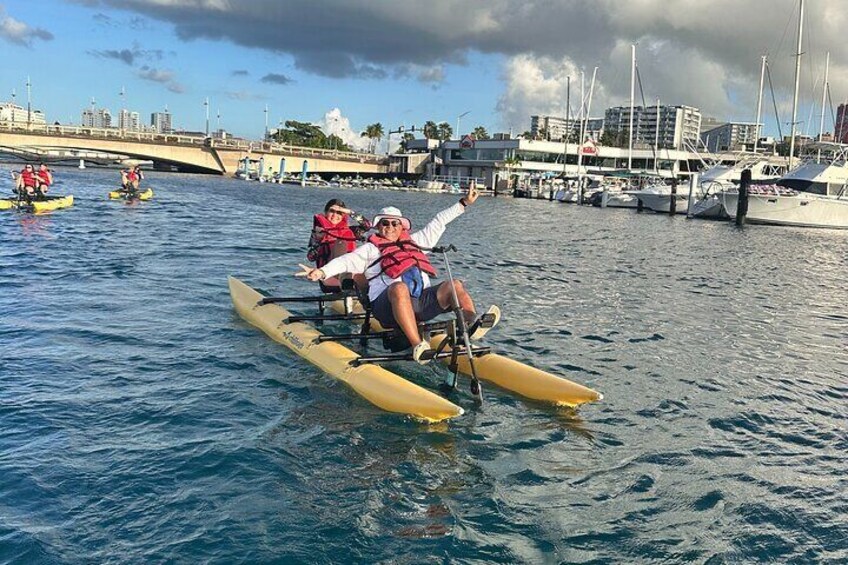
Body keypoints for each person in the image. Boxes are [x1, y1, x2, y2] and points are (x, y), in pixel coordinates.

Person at [296, 183, 500, 364]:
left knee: (454, 285)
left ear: (402, 226)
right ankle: (418, 346)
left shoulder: (417, 241)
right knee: (399, 287)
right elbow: (345, 261)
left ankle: (471, 324)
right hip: (386, 308)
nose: (391, 227)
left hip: (419, 303)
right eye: (385, 223)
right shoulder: (371, 249)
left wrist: (464, 202)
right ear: (379, 226)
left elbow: (439, 221)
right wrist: (321, 272)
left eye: (395, 223)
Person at [306, 198, 371, 293]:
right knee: (340, 243)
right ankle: (345, 281)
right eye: (332, 211)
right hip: (328, 277)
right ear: (325, 212)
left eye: (339, 213)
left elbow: (367, 225)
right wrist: (318, 241)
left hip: (351, 274)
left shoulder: (352, 231)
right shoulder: (319, 232)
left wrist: (349, 212)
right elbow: (311, 257)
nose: (335, 215)